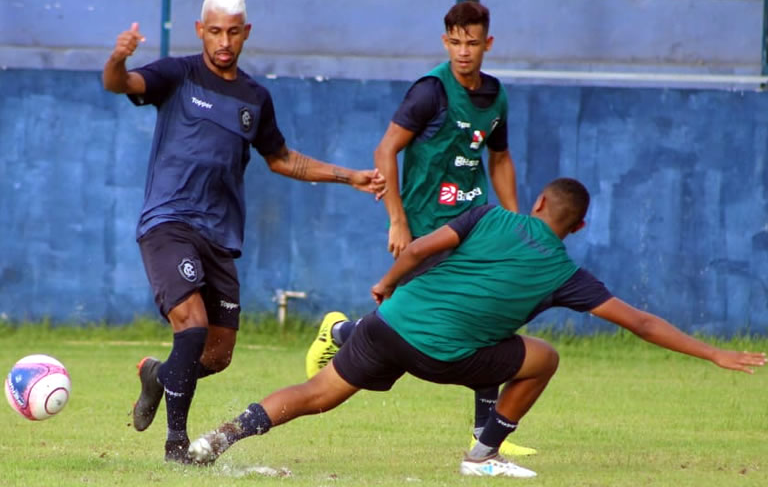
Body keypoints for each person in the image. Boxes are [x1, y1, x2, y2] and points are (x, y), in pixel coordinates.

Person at [187, 178, 766, 477]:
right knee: (542, 357)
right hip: (439, 355)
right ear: (579, 225)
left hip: (390, 321)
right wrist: (713, 354)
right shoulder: (565, 271)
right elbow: (637, 321)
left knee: (319, 394)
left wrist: (387, 284)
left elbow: (418, 248)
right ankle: (483, 454)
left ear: (537, 202)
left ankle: (217, 438)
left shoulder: (488, 213)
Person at [102, 0, 386, 463]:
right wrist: (117, 58)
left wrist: (348, 176)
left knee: (216, 355)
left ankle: (157, 374)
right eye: (214, 31)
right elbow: (120, 84)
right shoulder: (179, 74)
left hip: (220, 236)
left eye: (233, 32)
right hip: (168, 222)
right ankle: (176, 445)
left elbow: (282, 158)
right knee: (190, 325)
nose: (224, 42)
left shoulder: (255, 96)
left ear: (246, 32)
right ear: (200, 30)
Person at [304, 0, 532, 456]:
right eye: (456, 42)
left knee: (484, 322)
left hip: (474, 230)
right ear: (445, 41)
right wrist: (397, 219)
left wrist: (517, 224)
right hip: (427, 232)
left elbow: (500, 158)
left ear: (487, 43)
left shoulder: (497, 96)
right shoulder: (430, 91)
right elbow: (385, 150)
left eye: (472, 43)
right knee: (407, 336)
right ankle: (342, 332)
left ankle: (485, 439)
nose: (464, 52)